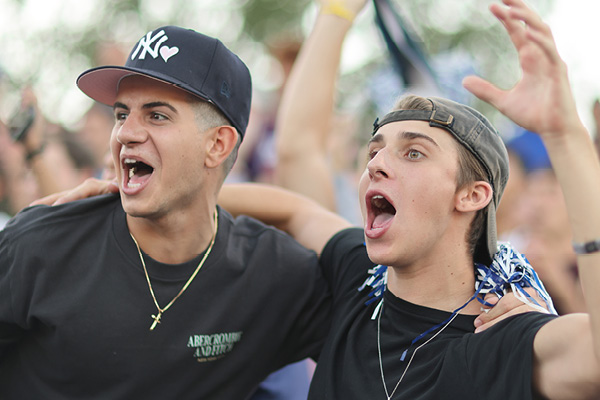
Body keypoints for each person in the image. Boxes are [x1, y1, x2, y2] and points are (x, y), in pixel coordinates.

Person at [219, 0, 600, 397]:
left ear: (472, 195)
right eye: (374, 152)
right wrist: (335, 13)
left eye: (413, 153)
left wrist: (565, 134)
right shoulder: (354, 281)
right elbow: (296, 191)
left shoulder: (505, 338)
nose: (377, 165)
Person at [0, 25, 332, 399]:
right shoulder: (40, 244)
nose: (126, 132)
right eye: (122, 114)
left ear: (218, 145)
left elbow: (384, 332)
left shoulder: (274, 274)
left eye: (157, 116)